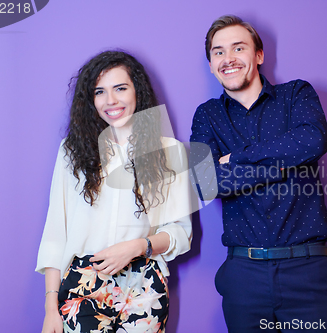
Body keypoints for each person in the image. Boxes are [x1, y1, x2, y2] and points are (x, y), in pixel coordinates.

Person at [190, 15, 327, 332]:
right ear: (210, 64)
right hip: (243, 276)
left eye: (238, 48)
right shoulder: (205, 116)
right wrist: (286, 159)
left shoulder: (296, 94)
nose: (228, 58)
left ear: (258, 55)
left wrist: (237, 159)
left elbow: (313, 140)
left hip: (308, 270)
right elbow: (205, 184)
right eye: (218, 52)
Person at [36, 51, 192, 333]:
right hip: (82, 284)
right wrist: (50, 308)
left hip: (144, 284)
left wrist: (136, 246)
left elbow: (181, 233)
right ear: (91, 100)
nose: (111, 100)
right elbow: (56, 231)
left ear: (138, 91)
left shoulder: (170, 151)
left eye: (120, 88)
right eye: (100, 92)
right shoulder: (71, 151)